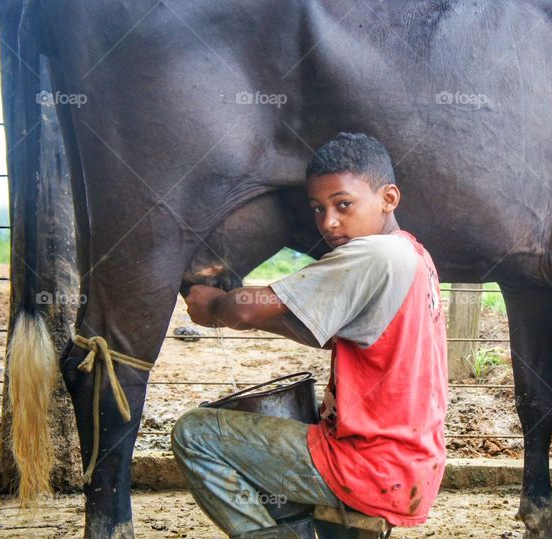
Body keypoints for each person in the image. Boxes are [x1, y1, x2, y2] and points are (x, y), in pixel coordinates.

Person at [173, 132, 448, 539]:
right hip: (409, 466)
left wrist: (214, 305)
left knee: (194, 433)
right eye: (318, 209)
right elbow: (312, 328)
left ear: (389, 198)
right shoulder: (413, 256)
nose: (328, 222)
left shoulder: (373, 253)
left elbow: (248, 306)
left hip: (365, 466)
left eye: (344, 205)